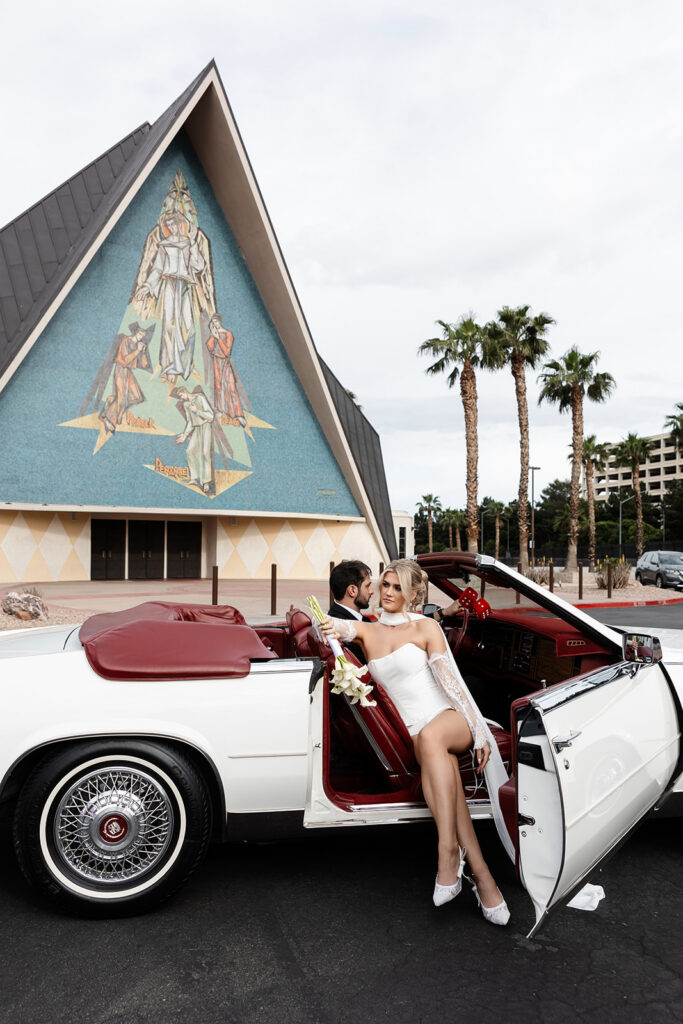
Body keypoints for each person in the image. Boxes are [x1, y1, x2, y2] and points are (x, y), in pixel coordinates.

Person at [321, 558, 511, 925]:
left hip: (449, 719)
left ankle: (447, 852)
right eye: (385, 584)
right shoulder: (367, 631)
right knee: (437, 757)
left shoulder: (426, 627)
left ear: (412, 595)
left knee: (432, 736)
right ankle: (483, 877)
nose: (388, 592)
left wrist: (479, 729)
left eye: (397, 587)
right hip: (416, 734)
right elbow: (335, 625)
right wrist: (324, 623)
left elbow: (452, 684)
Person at [328, 560, 375, 662]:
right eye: (367, 586)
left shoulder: (334, 617)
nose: (372, 591)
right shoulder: (345, 634)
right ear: (352, 590)